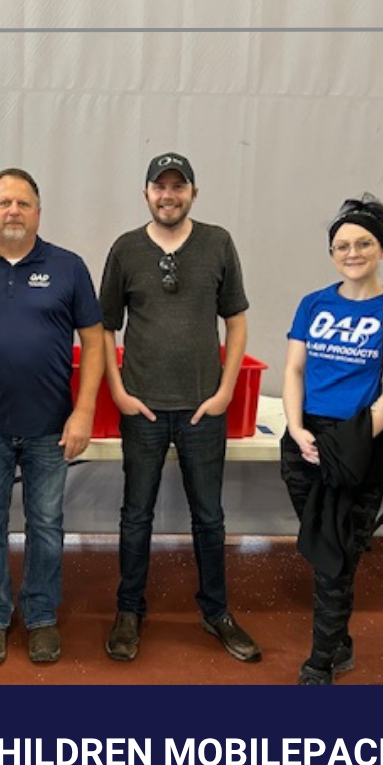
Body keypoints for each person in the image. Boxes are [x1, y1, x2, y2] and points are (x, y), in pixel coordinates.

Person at [99, 152, 258, 662]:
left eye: (178, 186)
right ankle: (128, 610)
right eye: (159, 186)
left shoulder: (217, 244)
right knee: (135, 514)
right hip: (142, 408)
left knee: (209, 516)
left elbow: (236, 320)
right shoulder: (125, 250)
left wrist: (225, 391)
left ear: (193, 192)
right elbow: (104, 326)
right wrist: (120, 392)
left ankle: (216, 612)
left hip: (202, 410)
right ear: (146, 193)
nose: (169, 195)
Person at [0, 168, 103, 665]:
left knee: (47, 524)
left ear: (38, 211)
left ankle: (40, 616)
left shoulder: (69, 267)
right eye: (4, 202)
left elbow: (94, 342)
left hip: (51, 425)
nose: (13, 211)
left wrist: (83, 412)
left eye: (23, 203)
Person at [281, 195, 383, 684]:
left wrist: (350, 444)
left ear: (382, 249)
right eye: (342, 245)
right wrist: (297, 428)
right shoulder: (313, 303)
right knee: (324, 545)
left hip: (359, 441)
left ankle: (321, 660)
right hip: (304, 440)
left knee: (336, 554)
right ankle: (339, 642)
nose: (352, 252)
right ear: (331, 253)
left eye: (363, 243)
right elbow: (295, 369)